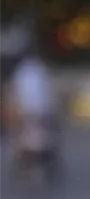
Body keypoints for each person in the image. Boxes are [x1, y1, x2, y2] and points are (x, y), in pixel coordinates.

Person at [10, 50, 61, 185]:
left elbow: (17, 94)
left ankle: (30, 169)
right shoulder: (39, 70)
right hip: (42, 111)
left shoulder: (22, 72)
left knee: (28, 141)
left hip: (29, 111)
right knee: (42, 140)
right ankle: (41, 167)